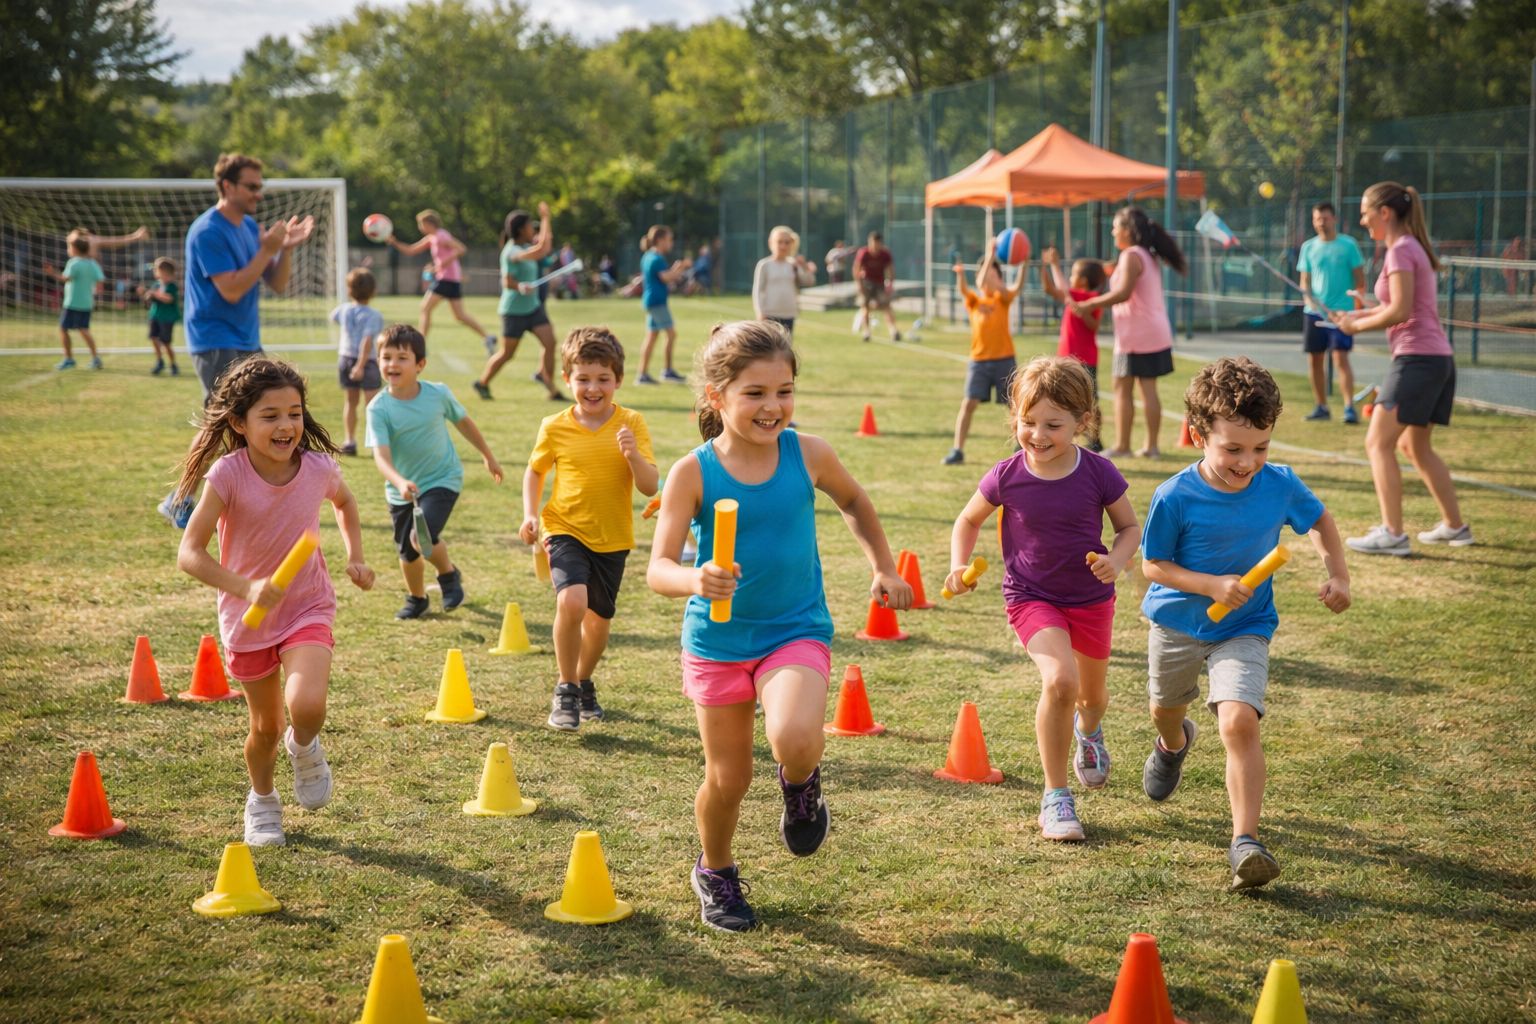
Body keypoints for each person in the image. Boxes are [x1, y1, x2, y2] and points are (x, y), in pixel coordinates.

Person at [647, 320, 913, 932]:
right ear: (718, 397)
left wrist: (882, 565)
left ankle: (802, 787)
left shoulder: (808, 452)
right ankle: (716, 870)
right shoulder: (692, 471)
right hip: (716, 642)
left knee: (796, 737)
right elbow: (659, 568)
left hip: (795, 627)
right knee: (729, 777)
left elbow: (854, 502)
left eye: (785, 391)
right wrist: (696, 579)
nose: (774, 407)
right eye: (756, 394)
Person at [1138, 357, 1350, 889]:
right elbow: (1152, 565)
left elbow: (1319, 519)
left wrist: (1338, 574)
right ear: (1196, 435)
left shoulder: (1278, 485)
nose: (1247, 462)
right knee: (1166, 709)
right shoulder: (1174, 495)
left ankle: (1245, 841)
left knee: (1239, 721)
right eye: (1233, 449)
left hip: (1245, 625)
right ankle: (1172, 744)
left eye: (1261, 448)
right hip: (1177, 625)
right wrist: (1210, 584)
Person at [173, 358, 375, 847]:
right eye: (271, 416)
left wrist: (356, 558)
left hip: (307, 603)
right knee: (264, 728)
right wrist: (247, 588)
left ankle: (304, 747)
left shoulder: (318, 468)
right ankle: (262, 801)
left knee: (306, 705)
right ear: (240, 424)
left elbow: (345, 503)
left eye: (295, 413)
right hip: (247, 618)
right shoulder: (228, 475)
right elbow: (189, 554)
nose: (287, 426)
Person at [944, 356, 1140, 841]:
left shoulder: (1099, 472)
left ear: (1082, 422)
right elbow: (968, 521)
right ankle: (1056, 797)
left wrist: (1116, 561)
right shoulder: (1006, 475)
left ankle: (1089, 733)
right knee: (1060, 681)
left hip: (1091, 598)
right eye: (1027, 422)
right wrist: (957, 564)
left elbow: (1129, 528)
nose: (1037, 434)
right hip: (1031, 596)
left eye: (1053, 424)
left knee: (1092, 698)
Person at [159, 153, 316, 528]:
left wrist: (286, 248)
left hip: (246, 338)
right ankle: (179, 500)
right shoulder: (208, 231)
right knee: (221, 423)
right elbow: (230, 289)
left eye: (260, 187)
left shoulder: (248, 226)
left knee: (254, 419)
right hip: (214, 338)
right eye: (251, 187)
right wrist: (267, 249)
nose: (258, 195)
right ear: (227, 186)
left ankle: (244, 495)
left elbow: (276, 283)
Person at [521, 326, 658, 730]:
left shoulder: (631, 422)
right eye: (583, 379)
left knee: (598, 622)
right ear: (567, 380)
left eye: (603, 379)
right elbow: (535, 471)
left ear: (618, 379)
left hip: (613, 537)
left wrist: (633, 455)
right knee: (572, 603)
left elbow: (650, 485)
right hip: (564, 527)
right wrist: (531, 514)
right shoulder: (555, 425)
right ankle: (565, 689)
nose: (593, 388)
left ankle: (583, 681)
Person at [1331, 182, 1471, 554]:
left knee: (1377, 442)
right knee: (1414, 446)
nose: (1363, 220)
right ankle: (1456, 527)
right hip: (1435, 358)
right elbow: (1397, 306)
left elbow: (1401, 311)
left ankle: (1392, 534)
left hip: (1418, 359)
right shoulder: (1408, 248)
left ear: (1386, 213)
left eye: (1366, 212)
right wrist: (1358, 312)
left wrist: (1355, 326)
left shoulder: (1400, 250)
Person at [367, 324, 503, 620]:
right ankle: (417, 599)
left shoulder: (438, 394)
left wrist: (487, 456)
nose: (392, 364)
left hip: (443, 479)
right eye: (386, 357)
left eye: (402, 357)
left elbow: (464, 422)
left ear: (420, 365)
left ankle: (448, 575)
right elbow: (381, 457)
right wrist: (400, 481)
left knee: (422, 537)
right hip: (401, 490)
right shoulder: (378, 408)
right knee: (408, 552)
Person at [1068, 206, 1185, 459]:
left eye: (1115, 226)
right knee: (1148, 389)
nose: (1112, 231)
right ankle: (1151, 447)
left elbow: (1122, 293)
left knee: (1122, 388)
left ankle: (1122, 446)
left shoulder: (1131, 256)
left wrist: (1090, 303)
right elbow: (1118, 272)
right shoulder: (1145, 255)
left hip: (1136, 335)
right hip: (1154, 332)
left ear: (1127, 231)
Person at [942, 236, 1025, 466]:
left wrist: (1023, 262)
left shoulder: (1002, 299)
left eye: (993, 275)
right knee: (968, 404)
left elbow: (1013, 286)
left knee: (1016, 406)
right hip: (979, 361)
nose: (988, 278)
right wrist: (989, 256)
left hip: (1004, 360)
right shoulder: (974, 301)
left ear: (998, 278)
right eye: (985, 274)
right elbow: (969, 286)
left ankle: (1022, 448)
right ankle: (957, 450)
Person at [475, 203, 564, 402]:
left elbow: (544, 249)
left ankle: (550, 386)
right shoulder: (511, 252)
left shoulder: (525, 248)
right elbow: (507, 282)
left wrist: (546, 224)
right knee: (507, 353)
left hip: (532, 308)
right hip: (514, 311)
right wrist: (520, 286)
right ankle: (482, 382)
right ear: (521, 229)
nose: (533, 229)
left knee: (550, 342)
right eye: (530, 226)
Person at [386, 210, 495, 352]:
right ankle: (487, 337)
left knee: (425, 308)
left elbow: (461, 249)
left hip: (446, 279)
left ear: (429, 223)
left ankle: (420, 345)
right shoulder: (432, 238)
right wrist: (394, 242)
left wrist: (442, 264)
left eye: (421, 224)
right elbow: (411, 250)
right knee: (459, 315)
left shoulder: (441, 236)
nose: (420, 227)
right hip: (450, 279)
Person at [1297, 201, 1366, 423]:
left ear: (1335, 219)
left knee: (1340, 357)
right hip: (1314, 314)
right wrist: (1310, 301)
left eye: (1325, 218)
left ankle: (1349, 408)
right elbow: (1304, 281)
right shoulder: (1308, 247)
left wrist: (1355, 308)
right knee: (1315, 360)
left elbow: (1360, 279)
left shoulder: (1348, 245)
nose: (1321, 222)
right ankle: (1321, 407)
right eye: (1317, 218)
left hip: (1342, 314)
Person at [1041, 246, 1107, 450]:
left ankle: (1095, 440)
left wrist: (1053, 265)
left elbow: (1093, 325)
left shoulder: (1091, 300)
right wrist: (1045, 267)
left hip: (1085, 360)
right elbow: (1050, 289)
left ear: (1083, 281)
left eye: (1073, 275)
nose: (1069, 278)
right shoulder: (1074, 297)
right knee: (1059, 399)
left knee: (1091, 402)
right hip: (1064, 359)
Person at [330, 267, 384, 456]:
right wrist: (360, 366)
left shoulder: (344, 309)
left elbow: (333, 318)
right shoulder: (373, 315)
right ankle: (378, 443)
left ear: (349, 291)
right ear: (373, 292)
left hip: (345, 358)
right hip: (366, 363)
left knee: (350, 403)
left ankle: (350, 441)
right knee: (373, 405)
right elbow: (367, 340)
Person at [636, 226, 691, 384]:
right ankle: (667, 371)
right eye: (669, 239)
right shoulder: (656, 259)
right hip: (657, 302)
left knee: (652, 336)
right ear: (660, 240)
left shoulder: (648, 256)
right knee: (671, 333)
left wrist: (676, 268)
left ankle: (642, 375)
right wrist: (683, 267)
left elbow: (663, 275)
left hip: (651, 301)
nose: (671, 243)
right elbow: (666, 278)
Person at [44, 234, 104, 371]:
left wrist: (52, 273)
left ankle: (68, 359)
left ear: (75, 249)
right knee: (84, 330)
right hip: (87, 303)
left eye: (69, 246)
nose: (68, 249)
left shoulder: (74, 263)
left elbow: (66, 279)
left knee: (63, 329)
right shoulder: (92, 263)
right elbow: (100, 279)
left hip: (72, 303)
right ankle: (95, 358)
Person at [752, 226, 817, 336]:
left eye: (787, 242)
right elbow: (757, 291)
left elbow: (809, 282)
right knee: (770, 350)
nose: (783, 246)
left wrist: (805, 268)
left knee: (785, 349)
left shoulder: (793, 264)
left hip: (788, 314)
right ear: (771, 243)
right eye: (779, 242)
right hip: (770, 315)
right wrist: (760, 313)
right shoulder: (764, 265)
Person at [137, 257, 182, 376]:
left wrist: (154, 293)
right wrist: (144, 293)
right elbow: (148, 297)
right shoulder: (157, 284)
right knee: (153, 337)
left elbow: (169, 299)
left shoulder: (172, 286)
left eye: (156, 269)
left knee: (166, 343)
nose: (155, 271)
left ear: (164, 271)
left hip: (167, 318)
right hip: (155, 316)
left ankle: (173, 364)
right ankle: (160, 361)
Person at [853, 232, 900, 341]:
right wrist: (858, 284)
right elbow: (856, 269)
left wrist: (891, 284)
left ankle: (893, 331)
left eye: (876, 243)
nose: (874, 246)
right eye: (872, 243)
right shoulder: (863, 253)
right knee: (865, 307)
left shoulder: (885, 254)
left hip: (880, 283)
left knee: (886, 307)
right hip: (866, 282)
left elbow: (891, 269)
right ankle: (867, 332)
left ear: (880, 243)